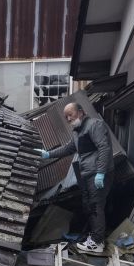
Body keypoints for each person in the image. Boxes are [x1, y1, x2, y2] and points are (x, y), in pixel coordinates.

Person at [35, 102, 114, 254]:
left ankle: (97, 242)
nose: (68, 118)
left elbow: (104, 148)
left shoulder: (95, 125)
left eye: (70, 114)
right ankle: (95, 237)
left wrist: (101, 172)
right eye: (66, 117)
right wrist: (47, 154)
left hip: (98, 173)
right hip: (87, 174)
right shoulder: (77, 132)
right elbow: (68, 148)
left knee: (96, 206)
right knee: (90, 206)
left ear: (81, 111)